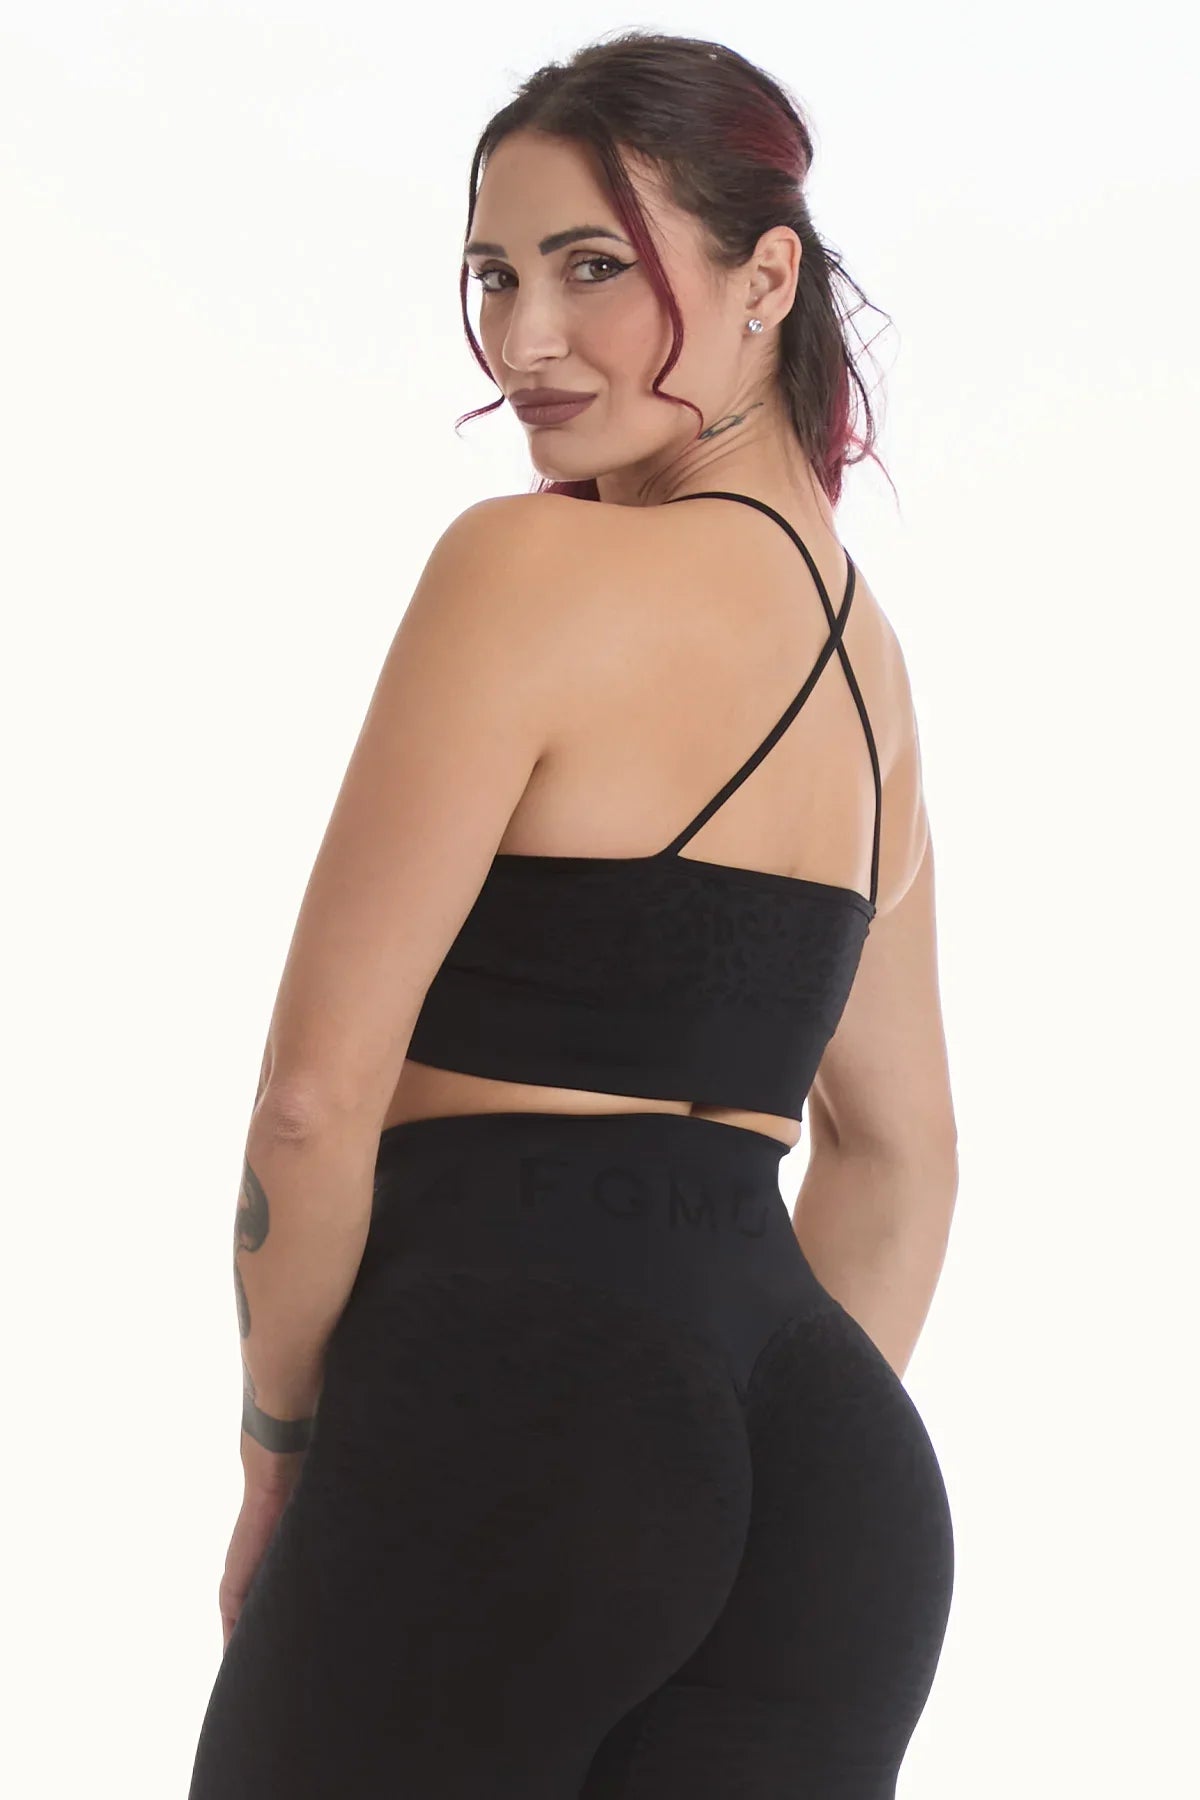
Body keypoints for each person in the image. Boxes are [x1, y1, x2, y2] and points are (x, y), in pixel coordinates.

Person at [188, 29, 957, 1799]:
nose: (527, 338)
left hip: (518, 1388)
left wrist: (279, 1454)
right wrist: (744, 1447)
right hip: (836, 1482)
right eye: (493, 275)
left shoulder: (525, 563)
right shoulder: (874, 677)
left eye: (593, 266)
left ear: (769, 278)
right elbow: (902, 1156)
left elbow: (311, 1103)